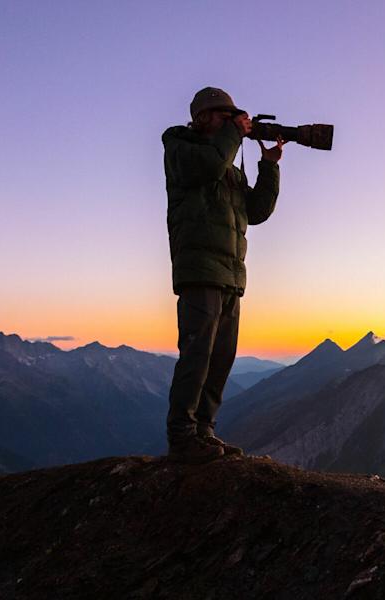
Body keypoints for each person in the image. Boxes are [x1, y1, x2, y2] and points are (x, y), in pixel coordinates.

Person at [160, 86, 285, 464]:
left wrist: (270, 165)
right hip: (199, 268)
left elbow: (257, 211)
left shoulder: (228, 166)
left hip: (231, 271)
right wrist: (236, 134)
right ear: (201, 118)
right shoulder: (180, 148)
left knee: (221, 356)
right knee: (197, 353)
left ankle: (204, 431)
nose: (232, 123)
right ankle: (182, 436)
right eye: (224, 116)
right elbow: (208, 166)